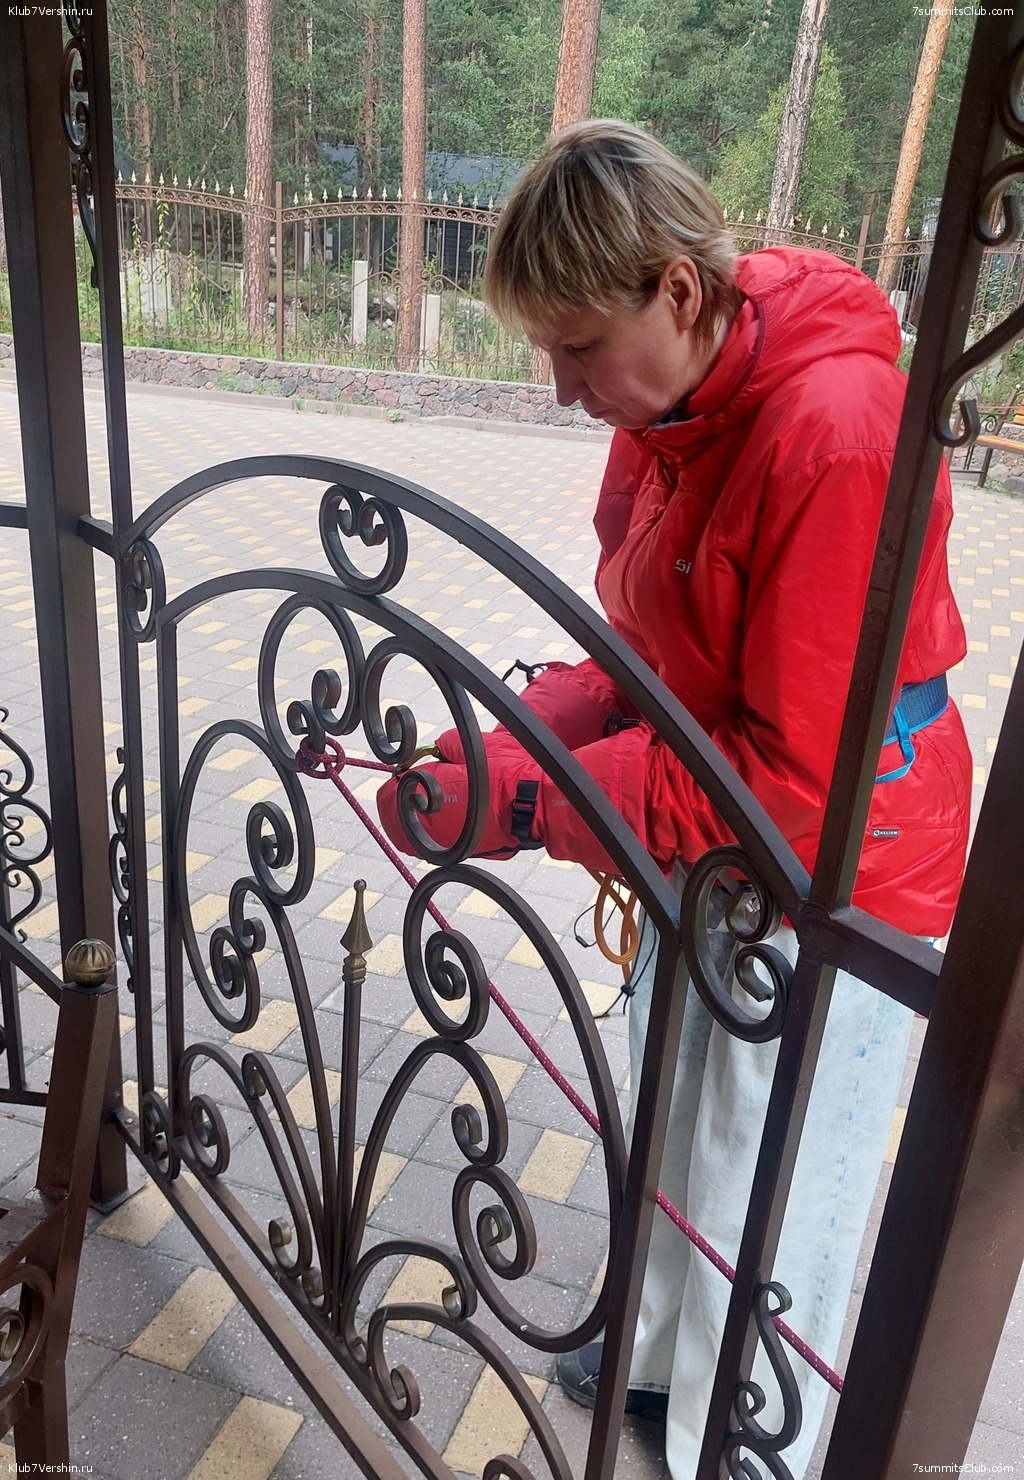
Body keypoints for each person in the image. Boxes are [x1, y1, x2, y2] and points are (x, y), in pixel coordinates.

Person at [376, 120, 971, 1478]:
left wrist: (528, 805)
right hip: (724, 824)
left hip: (849, 865)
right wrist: (513, 745)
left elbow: (789, 786)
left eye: (579, 347)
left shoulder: (834, 435)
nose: (563, 388)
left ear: (683, 292)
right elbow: (648, 655)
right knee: (676, 1102)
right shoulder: (672, 408)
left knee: (771, 1168)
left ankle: (742, 1444)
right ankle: (657, 1357)